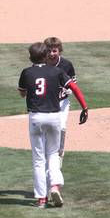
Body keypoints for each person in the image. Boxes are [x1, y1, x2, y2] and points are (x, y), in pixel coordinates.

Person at [18, 42, 89, 208]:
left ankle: (41, 199)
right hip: (54, 117)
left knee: (38, 159)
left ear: (31, 58)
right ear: (45, 56)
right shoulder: (57, 71)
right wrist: (84, 107)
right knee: (53, 153)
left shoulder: (26, 72)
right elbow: (73, 87)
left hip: (36, 117)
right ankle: (55, 185)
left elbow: (22, 93)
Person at [43, 37, 76, 165]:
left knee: (61, 126)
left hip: (62, 102)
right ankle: (48, 153)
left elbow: (73, 82)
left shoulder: (66, 65)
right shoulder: (41, 64)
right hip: (45, 102)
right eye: (49, 51)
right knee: (46, 128)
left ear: (59, 51)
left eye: (54, 51)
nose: (52, 54)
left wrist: (70, 91)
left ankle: (59, 154)